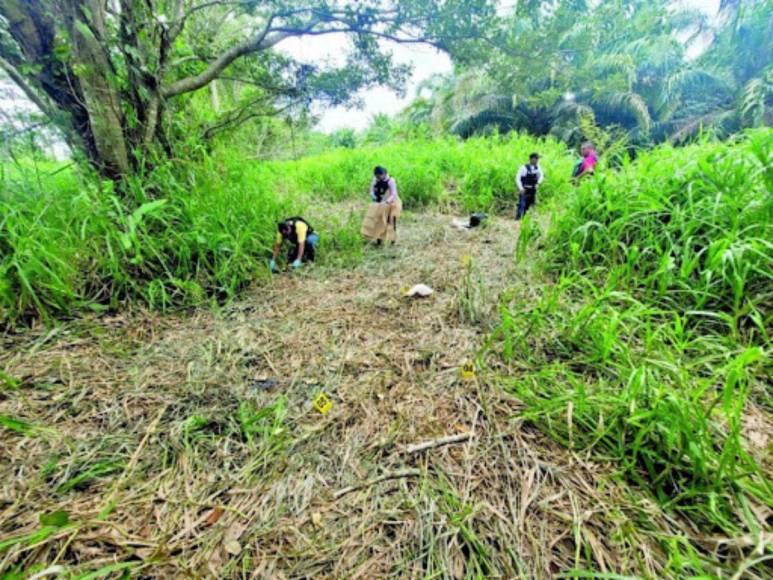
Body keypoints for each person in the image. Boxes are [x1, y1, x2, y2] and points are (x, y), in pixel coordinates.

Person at [361, 166, 402, 245]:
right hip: (379, 202)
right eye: (377, 176)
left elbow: (394, 194)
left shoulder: (390, 181)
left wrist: (386, 202)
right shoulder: (375, 179)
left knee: (391, 220)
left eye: (380, 176)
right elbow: (371, 190)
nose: (378, 177)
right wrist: (373, 196)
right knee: (378, 220)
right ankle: (379, 240)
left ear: (384, 174)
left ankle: (392, 240)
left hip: (391, 203)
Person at [515, 152, 544, 220]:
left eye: (537, 159)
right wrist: (520, 188)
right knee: (522, 205)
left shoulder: (537, 168)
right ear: (531, 159)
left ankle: (526, 219)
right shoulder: (523, 168)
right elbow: (517, 178)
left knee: (530, 205)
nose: (537, 160)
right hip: (524, 189)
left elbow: (541, 176)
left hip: (533, 189)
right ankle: (518, 220)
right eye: (536, 159)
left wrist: (538, 183)